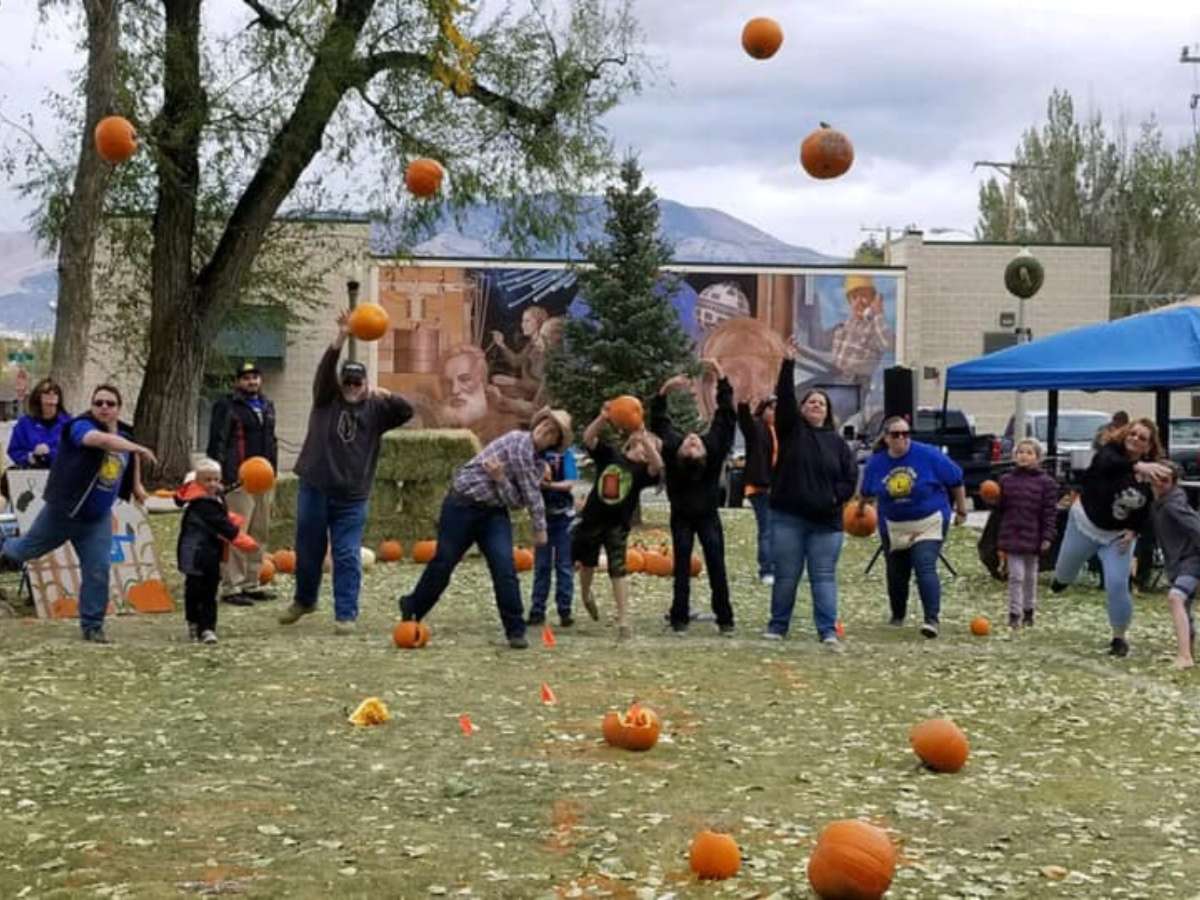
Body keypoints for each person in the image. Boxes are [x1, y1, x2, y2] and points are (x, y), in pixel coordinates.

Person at [277, 311, 414, 634]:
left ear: (366, 384)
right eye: (348, 381)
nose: (352, 386)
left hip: (352, 497)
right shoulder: (326, 398)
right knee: (308, 549)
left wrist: (386, 394)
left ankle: (346, 614)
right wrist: (341, 336)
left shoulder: (377, 410)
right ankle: (305, 599)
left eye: (358, 381)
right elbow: (326, 368)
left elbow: (407, 411)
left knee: (347, 554)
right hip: (315, 487)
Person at [398, 407, 573, 649]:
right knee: (444, 562)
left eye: (552, 431)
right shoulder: (519, 442)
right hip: (462, 505)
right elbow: (529, 495)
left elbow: (515, 502)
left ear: (554, 442)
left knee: (504, 568)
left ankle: (515, 631)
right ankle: (413, 606)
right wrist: (539, 527)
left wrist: (501, 479)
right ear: (537, 424)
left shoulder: (536, 465)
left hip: (493, 514)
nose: (545, 430)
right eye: (545, 424)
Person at [0, 384, 154, 643]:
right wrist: (136, 447)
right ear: (92, 406)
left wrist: (138, 488)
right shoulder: (80, 426)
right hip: (63, 512)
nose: (104, 408)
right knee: (25, 550)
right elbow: (98, 441)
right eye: (98, 403)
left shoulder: (126, 433)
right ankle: (4, 551)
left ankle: (92, 625)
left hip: (96, 518)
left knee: (98, 569)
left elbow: (129, 462)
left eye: (110, 404)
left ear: (118, 408)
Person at [762, 344, 858, 649]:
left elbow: (850, 478)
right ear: (801, 409)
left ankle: (827, 630)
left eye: (821, 403)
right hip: (788, 518)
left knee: (823, 577)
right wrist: (788, 364)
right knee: (787, 577)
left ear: (828, 412)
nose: (816, 405)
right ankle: (778, 626)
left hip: (826, 523)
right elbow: (786, 399)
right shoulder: (791, 430)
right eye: (811, 402)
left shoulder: (839, 444)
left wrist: (835, 499)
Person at [1052, 418, 1171, 657]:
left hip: (1117, 536)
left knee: (1117, 584)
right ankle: (1062, 579)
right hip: (1085, 523)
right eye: (1133, 434)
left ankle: (1119, 637)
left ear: (1149, 447)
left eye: (1142, 438)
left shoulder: (1150, 473)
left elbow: (1147, 509)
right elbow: (1108, 464)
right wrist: (1137, 467)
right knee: (1065, 572)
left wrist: (1134, 530)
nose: (1135, 439)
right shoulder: (1109, 453)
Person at [861, 415, 968, 638]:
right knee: (897, 572)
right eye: (896, 434)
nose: (902, 438)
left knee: (924, 564)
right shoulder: (877, 463)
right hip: (894, 524)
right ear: (886, 438)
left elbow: (956, 480)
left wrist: (961, 510)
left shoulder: (928, 455)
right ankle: (897, 615)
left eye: (905, 434)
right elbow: (867, 494)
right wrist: (859, 512)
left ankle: (931, 620)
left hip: (929, 519)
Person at [651, 361, 737, 635]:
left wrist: (665, 392)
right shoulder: (705, 450)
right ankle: (679, 618)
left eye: (694, 442)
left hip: (708, 516)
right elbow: (724, 419)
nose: (692, 439)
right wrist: (720, 378)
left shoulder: (679, 448)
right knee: (681, 567)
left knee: (716, 564)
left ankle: (725, 618)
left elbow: (661, 422)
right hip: (683, 517)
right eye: (693, 443)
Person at [572, 408, 663, 641]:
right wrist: (602, 418)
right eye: (646, 444)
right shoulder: (610, 455)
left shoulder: (643, 472)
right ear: (632, 442)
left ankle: (624, 620)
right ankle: (585, 595)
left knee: (618, 569)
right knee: (587, 563)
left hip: (617, 526)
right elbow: (588, 438)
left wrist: (648, 442)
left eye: (653, 447)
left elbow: (658, 466)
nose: (649, 449)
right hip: (592, 519)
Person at [206, 360, 277, 607]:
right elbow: (217, 442)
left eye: (255, 377)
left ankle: (252, 581)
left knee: (260, 531)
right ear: (237, 382)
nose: (252, 381)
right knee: (237, 533)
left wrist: (273, 472)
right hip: (238, 480)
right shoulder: (227, 406)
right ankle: (231, 585)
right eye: (246, 377)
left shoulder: (268, 406)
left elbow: (272, 441)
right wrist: (219, 477)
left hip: (264, 478)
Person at [174, 458, 258, 645]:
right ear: (197, 481)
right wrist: (246, 542)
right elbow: (223, 525)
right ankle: (195, 622)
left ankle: (207, 627)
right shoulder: (202, 503)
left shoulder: (214, 497)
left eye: (216, 479)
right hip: (195, 553)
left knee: (210, 590)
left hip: (211, 553)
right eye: (207, 480)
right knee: (195, 589)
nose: (213, 484)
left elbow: (221, 517)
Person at [994, 438, 1058, 630]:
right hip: (1012, 533)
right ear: (1015, 456)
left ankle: (1029, 610)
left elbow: (1049, 512)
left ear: (1038, 458)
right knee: (1016, 576)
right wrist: (991, 498)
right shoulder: (1006, 480)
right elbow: (1000, 508)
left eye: (1029, 453)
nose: (1024, 456)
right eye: (1021, 452)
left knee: (1031, 576)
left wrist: (1047, 536)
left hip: (1034, 535)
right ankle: (1014, 613)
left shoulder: (1046, 483)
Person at [1150, 461, 1200, 669]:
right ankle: (1187, 652)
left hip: (1191, 561)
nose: (1160, 483)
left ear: (1174, 482)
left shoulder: (1173, 504)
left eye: (1165, 480)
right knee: (1184, 605)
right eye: (1157, 478)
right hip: (1177, 562)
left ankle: (1185, 656)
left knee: (1176, 598)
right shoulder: (1159, 503)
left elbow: (1196, 528)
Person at [527, 438, 578, 628]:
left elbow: (569, 483)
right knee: (542, 566)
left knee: (564, 565)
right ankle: (537, 610)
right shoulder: (535, 454)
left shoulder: (566, 455)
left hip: (564, 516)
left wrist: (548, 486)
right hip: (542, 517)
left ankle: (565, 610)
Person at [738, 395, 777, 584]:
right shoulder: (757, 428)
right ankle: (767, 569)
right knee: (767, 529)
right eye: (770, 408)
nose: (774, 413)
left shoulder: (781, 432)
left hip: (779, 489)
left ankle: (779, 567)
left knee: (780, 529)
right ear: (763, 411)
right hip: (760, 487)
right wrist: (743, 400)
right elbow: (744, 420)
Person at [7, 377, 70, 470]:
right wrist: (30, 457)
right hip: (32, 476)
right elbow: (14, 450)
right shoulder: (24, 424)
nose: (52, 395)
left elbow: (74, 452)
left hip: (61, 474)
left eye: (55, 392)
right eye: (47, 392)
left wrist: (50, 453)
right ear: (38, 397)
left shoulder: (69, 423)